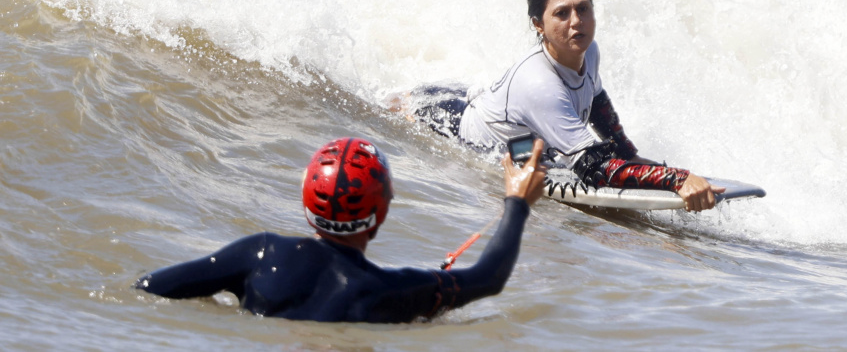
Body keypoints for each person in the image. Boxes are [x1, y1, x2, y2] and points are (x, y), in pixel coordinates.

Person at [135, 137, 546, 323]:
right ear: (381, 212)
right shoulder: (395, 290)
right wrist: (516, 202)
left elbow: (149, 287)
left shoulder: (260, 254)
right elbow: (488, 278)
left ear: (305, 198)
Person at [412, 0, 722, 212]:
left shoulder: (590, 51)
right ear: (539, 25)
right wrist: (676, 179)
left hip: (517, 131)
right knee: (404, 108)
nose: (577, 21)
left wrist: (635, 159)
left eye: (583, 9)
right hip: (448, 122)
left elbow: (599, 108)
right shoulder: (539, 84)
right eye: (562, 13)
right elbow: (592, 168)